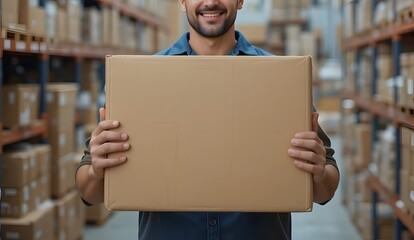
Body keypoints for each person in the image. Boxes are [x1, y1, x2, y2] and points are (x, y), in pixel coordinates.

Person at [75, 0, 340, 239]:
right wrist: (98, 169)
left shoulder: (280, 79)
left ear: (240, 0)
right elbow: (90, 192)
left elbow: (325, 189)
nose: (211, 2)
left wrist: (317, 172)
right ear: (182, 2)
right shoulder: (145, 78)